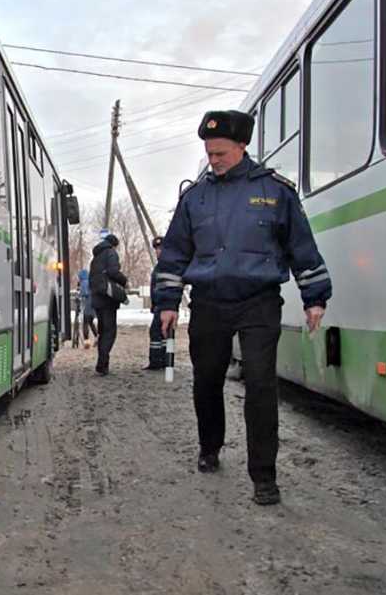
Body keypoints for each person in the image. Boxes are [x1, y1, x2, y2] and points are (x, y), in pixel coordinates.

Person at [154, 109, 332, 506]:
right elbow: (175, 254)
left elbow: (301, 248)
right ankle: (210, 446)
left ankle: (264, 476)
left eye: (220, 153)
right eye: (208, 153)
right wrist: (166, 303)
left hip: (259, 302)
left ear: (242, 146)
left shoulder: (275, 193)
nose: (212, 161)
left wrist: (314, 297)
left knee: (262, 387)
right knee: (207, 382)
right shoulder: (194, 199)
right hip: (209, 304)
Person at [89, 233, 128, 375]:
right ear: (114, 244)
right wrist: (124, 280)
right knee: (109, 332)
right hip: (107, 299)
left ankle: (102, 363)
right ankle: (102, 364)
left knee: (102, 330)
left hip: (97, 298)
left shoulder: (95, 257)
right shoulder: (111, 253)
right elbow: (113, 272)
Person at [144, 236, 166, 370]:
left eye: (160, 248)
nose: (158, 251)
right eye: (156, 249)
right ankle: (164, 361)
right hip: (160, 304)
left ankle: (157, 362)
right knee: (163, 333)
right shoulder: (160, 266)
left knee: (157, 332)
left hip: (164, 304)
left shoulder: (166, 265)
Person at [78, 272, 99, 347]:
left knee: (85, 323)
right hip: (95, 305)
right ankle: (97, 336)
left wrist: (79, 295)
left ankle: (87, 341)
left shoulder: (84, 283)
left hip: (88, 305)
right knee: (90, 321)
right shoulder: (92, 281)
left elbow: (84, 293)